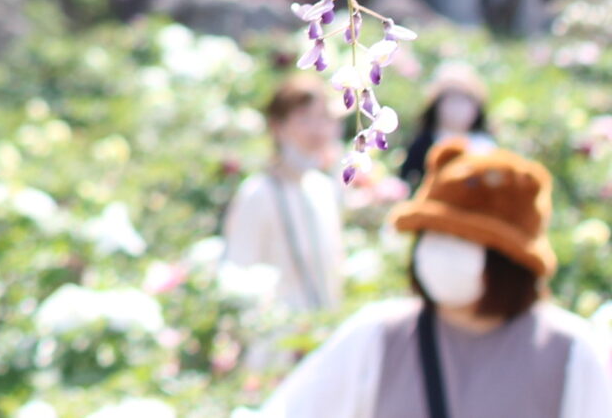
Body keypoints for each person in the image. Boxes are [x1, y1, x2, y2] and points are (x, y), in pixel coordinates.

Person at [257, 138, 612, 417]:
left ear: (510, 260)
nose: (442, 253)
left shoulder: (568, 351)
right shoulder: (380, 335)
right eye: (433, 235)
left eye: (462, 240)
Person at [223, 75, 348, 315]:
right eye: (304, 119)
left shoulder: (323, 189)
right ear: (277, 127)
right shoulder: (258, 193)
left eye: (324, 118)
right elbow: (238, 273)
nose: (318, 130)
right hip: (275, 337)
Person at [400, 63, 494, 190]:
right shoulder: (422, 144)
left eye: (465, 100)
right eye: (451, 99)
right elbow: (408, 181)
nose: (457, 108)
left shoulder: (486, 145)